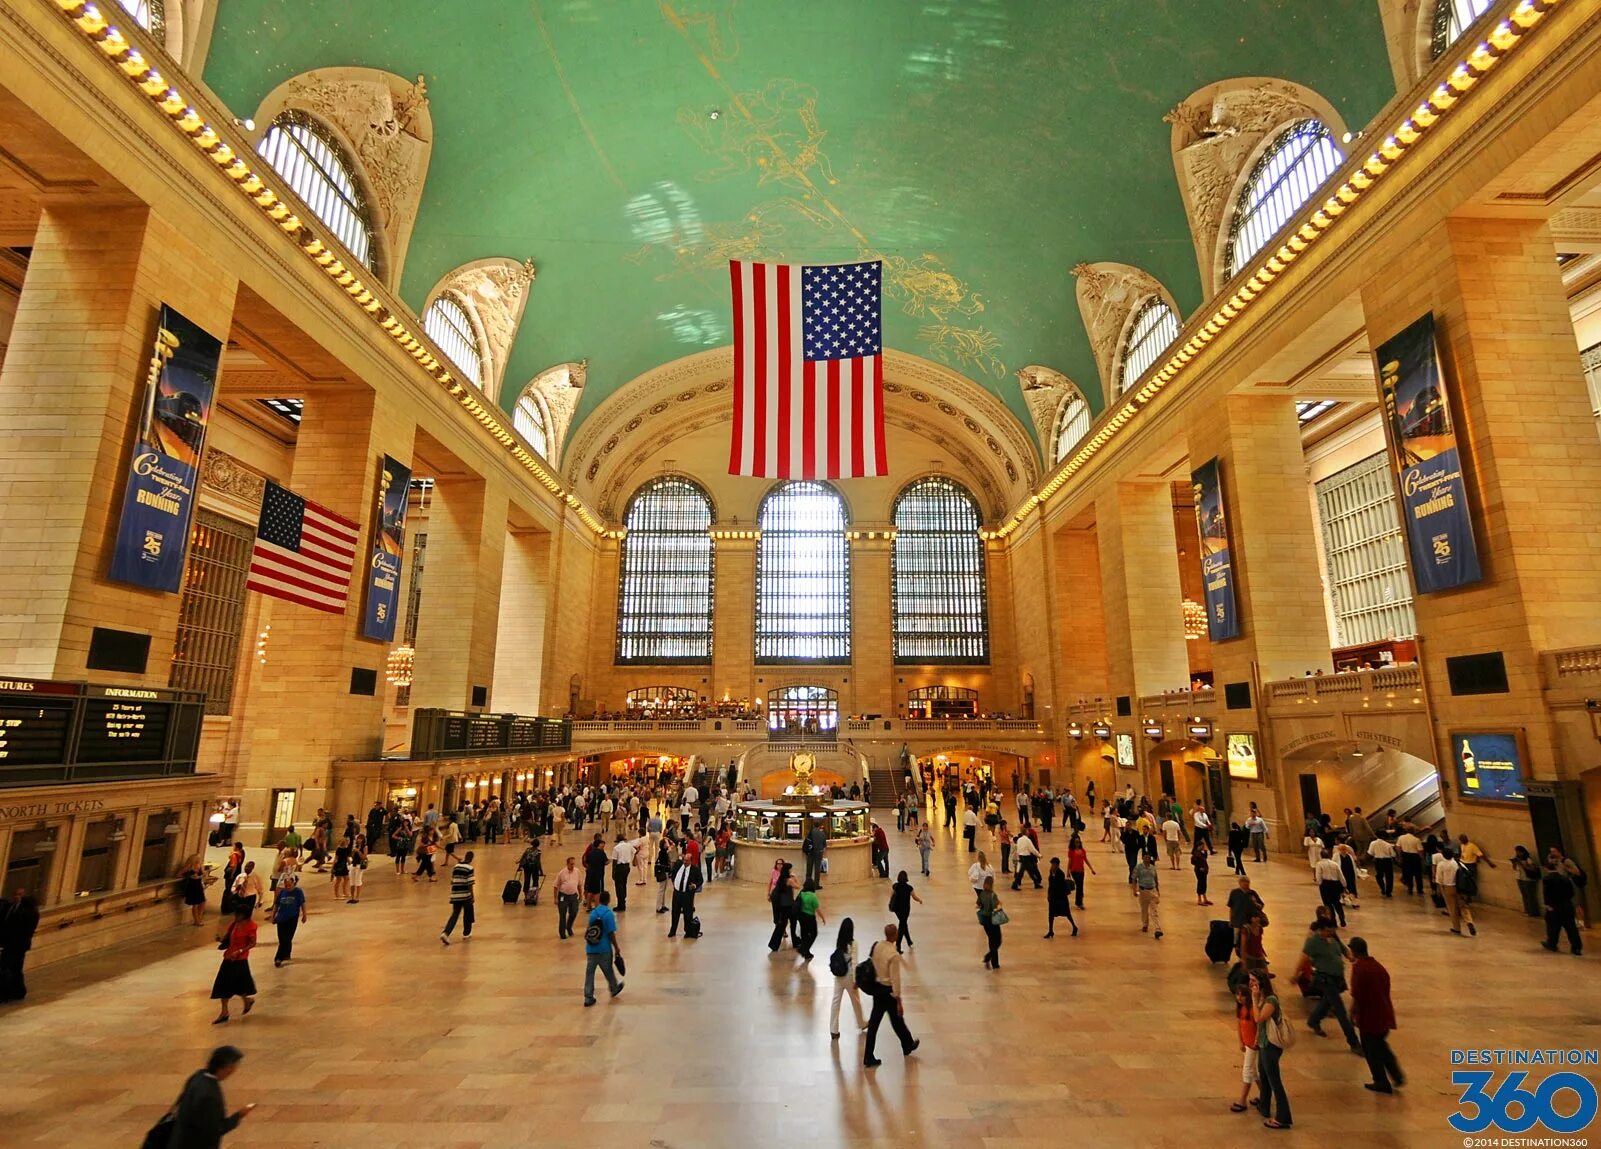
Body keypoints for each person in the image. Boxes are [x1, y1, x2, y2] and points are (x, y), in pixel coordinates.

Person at [160, 1045, 254, 1148]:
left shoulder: (198, 1076)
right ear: (225, 1067)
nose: (233, 1071)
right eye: (233, 1067)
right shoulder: (209, 1095)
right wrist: (239, 1115)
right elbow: (216, 1129)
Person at [1348, 936, 1403, 1093]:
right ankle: (1397, 1075)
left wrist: (1352, 1014)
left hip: (1369, 1017)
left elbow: (1357, 995)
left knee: (1371, 1050)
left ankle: (1381, 1081)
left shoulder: (1359, 968)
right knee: (1381, 1046)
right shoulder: (1378, 966)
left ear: (1354, 951)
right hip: (1384, 1013)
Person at [862, 923, 920, 1068]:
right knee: (896, 1019)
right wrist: (899, 1000)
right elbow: (895, 979)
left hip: (877, 989)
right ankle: (907, 1044)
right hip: (888, 992)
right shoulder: (893, 955)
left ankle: (870, 1055)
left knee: (877, 1023)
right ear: (895, 935)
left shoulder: (877, 946)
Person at [1302, 919, 1360, 1051]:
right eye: (1328, 931)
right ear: (1320, 930)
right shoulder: (1313, 942)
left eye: (1332, 930)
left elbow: (1342, 948)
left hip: (1336, 979)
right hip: (1325, 979)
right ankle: (1354, 1042)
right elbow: (1304, 958)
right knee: (1340, 1011)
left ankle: (1313, 1020)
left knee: (1327, 1001)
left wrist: (1350, 956)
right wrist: (1295, 975)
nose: (1331, 933)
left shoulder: (1333, 938)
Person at [1252, 970, 1292, 1130]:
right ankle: (1264, 1105)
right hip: (1263, 1043)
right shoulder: (1263, 998)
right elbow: (1260, 1025)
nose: (1251, 984)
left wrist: (1254, 1000)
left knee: (1275, 1080)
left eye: (1254, 981)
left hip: (1271, 1046)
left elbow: (1259, 1018)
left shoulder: (1270, 1000)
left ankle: (1283, 1117)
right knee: (1264, 1075)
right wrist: (1256, 1039)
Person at [210, 905, 257, 1024]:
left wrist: (240, 951)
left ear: (244, 915)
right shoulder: (234, 924)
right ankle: (224, 1011)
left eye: (238, 914)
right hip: (228, 957)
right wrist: (220, 939)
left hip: (240, 959)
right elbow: (227, 938)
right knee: (223, 984)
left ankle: (247, 1000)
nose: (236, 916)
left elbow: (252, 943)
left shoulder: (251, 926)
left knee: (239, 984)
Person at [582, 890, 624, 1006]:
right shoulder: (608, 914)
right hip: (604, 948)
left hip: (591, 948)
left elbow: (589, 929)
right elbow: (611, 933)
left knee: (589, 973)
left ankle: (588, 996)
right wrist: (616, 948)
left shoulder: (594, 913)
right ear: (609, 900)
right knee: (608, 970)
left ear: (599, 900)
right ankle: (614, 987)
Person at [828, 917, 867, 1039]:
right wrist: (856, 980)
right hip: (850, 976)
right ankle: (861, 1023)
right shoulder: (853, 943)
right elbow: (854, 962)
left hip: (839, 976)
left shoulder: (839, 942)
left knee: (836, 1002)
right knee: (856, 1001)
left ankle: (833, 1029)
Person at [1541, 855, 1583, 955]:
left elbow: (1547, 893)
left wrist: (1548, 905)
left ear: (1546, 868)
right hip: (1567, 905)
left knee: (1553, 927)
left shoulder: (1547, 879)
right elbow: (1571, 893)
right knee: (1571, 927)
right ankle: (1576, 947)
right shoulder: (1565, 878)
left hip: (1554, 907)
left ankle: (1552, 944)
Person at [1230, 981, 1260, 1114]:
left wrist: (1256, 1041)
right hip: (1247, 1044)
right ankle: (1265, 1093)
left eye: (1242, 995)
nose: (1239, 998)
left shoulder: (1253, 1010)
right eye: (1237, 995)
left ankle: (1242, 1100)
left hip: (1253, 1045)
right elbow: (1239, 1025)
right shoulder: (1241, 1009)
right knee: (1254, 1071)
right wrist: (1240, 1041)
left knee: (1248, 1070)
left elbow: (1259, 1026)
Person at [1434, 846, 1474, 936]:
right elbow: (1466, 873)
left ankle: (1457, 928)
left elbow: (1439, 879)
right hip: (1460, 887)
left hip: (1448, 887)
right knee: (1463, 906)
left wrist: (1439, 890)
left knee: (1452, 909)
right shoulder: (1457, 863)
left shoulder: (1441, 864)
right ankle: (1469, 921)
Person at [269, 874, 306, 968]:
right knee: (282, 938)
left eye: (289, 885)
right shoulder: (282, 892)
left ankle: (278, 958)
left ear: (294, 883)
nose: (288, 887)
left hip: (292, 918)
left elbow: (302, 903)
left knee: (287, 937)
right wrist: (273, 916)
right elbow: (276, 905)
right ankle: (286, 953)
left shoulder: (298, 892)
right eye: (286, 886)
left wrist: (304, 915)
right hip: (281, 918)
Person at [440, 849, 476, 945]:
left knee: (455, 914)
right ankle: (466, 932)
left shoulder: (456, 867)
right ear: (471, 859)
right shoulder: (469, 868)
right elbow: (470, 884)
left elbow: (452, 881)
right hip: (465, 895)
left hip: (455, 894)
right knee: (468, 913)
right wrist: (472, 896)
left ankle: (446, 933)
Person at [1226, 874, 1265, 956]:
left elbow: (1261, 906)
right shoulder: (1234, 893)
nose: (1246, 884)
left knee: (1251, 940)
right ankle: (1240, 955)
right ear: (1240, 883)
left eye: (1247, 882)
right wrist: (1231, 920)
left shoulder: (1252, 893)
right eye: (1244, 882)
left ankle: (1253, 954)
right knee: (1237, 940)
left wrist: (1255, 902)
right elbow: (1231, 907)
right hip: (1237, 921)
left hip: (1249, 922)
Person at [668, 848, 702, 938]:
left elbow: (700, 880)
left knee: (688, 914)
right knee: (675, 912)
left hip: (687, 895)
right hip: (677, 893)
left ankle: (688, 931)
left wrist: (695, 886)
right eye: (684, 860)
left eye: (687, 861)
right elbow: (673, 873)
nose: (685, 862)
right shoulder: (679, 864)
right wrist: (675, 882)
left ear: (691, 861)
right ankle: (673, 930)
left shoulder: (695, 870)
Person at [768, 861, 799, 952]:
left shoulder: (780, 879)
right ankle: (795, 942)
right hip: (789, 905)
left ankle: (773, 944)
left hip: (782, 905)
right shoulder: (789, 880)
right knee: (793, 924)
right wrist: (795, 877)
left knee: (781, 925)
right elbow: (798, 886)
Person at [1131, 850, 1163, 939]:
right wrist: (1134, 890)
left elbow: (1156, 879)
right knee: (1144, 909)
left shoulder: (1153, 868)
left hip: (1152, 891)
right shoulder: (1138, 868)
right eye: (1145, 857)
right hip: (1143, 891)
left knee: (1154, 911)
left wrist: (1157, 890)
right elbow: (1134, 879)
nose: (1147, 859)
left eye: (1148, 857)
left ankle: (1158, 929)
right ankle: (1145, 924)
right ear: (1142, 858)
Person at [889, 870, 922, 952]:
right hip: (905, 910)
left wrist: (890, 904)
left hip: (897, 910)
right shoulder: (909, 888)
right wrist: (919, 900)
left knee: (903, 924)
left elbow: (891, 896)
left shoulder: (895, 886)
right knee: (902, 926)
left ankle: (909, 941)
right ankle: (898, 945)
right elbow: (914, 897)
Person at [1045, 857, 1078, 938]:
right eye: (1051, 864)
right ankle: (1051, 931)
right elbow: (1050, 885)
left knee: (1067, 914)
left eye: (1053, 864)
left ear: (1057, 865)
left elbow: (1058, 886)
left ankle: (1074, 927)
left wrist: (1052, 894)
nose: (1052, 866)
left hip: (1061, 898)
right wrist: (1048, 895)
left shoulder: (1060, 874)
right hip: (1053, 898)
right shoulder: (1051, 872)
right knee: (1051, 915)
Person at [1314, 847, 1347, 927]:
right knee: (1337, 902)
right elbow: (1340, 875)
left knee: (1327, 904)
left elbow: (1318, 876)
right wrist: (1344, 885)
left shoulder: (1319, 864)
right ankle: (1342, 918)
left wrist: (1320, 883)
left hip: (1326, 884)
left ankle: (1333, 921)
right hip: (1335, 884)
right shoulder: (1335, 864)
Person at [977, 875, 1005, 968]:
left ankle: (995, 963)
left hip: (985, 921)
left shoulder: (982, 894)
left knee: (991, 940)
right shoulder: (993, 895)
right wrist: (999, 904)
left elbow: (978, 904)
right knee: (998, 941)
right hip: (992, 920)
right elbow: (995, 907)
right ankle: (988, 957)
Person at [553, 856, 583, 939]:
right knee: (562, 915)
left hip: (573, 896)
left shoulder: (577, 872)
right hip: (563, 896)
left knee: (574, 912)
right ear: (567, 864)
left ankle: (569, 926)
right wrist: (555, 898)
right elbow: (556, 886)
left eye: (573, 864)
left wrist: (581, 895)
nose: (572, 866)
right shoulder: (562, 873)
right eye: (571, 864)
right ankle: (562, 933)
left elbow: (579, 884)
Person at [796, 879, 825, 960]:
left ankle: (805, 950)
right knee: (814, 933)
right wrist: (823, 918)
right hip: (810, 918)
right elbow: (818, 909)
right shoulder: (813, 896)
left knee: (804, 934)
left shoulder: (801, 893)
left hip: (801, 917)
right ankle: (804, 949)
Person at [610, 834, 638, 913]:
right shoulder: (628, 845)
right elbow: (636, 851)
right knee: (624, 884)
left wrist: (613, 872)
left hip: (619, 868)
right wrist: (633, 859)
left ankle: (620, 904)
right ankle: (623, 901)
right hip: (626, 867)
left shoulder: (616, 848)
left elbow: (614, 861)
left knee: (618, 886)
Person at [1066, 834, 1094, 908]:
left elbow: (1086, 860)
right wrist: (1068, 872)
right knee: (1079, 886)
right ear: (1073, 843)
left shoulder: (1083, 851)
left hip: (1081, 871)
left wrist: (1091, 869)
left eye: (1078, 842)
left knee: (1080, 886)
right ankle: (1079, 902)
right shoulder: (1071, 851)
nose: (1077, 844)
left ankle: (1079, 901)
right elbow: (1070, 861)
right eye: (1076, 842)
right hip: (1074, 871)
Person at [582, 833, 608, 910]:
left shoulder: (590, 852)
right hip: (598, 874)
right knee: (597, 891)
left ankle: (588, 906)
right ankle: (597, 907)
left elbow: (585, 860)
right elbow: (605, 862)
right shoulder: (601, 852)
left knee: (590, 890)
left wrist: (588, 867)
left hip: (590, 873)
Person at [1395, 826, 1425, 896]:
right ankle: (1419, 890)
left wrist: (1400, 856)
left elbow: (1398, 847)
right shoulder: (1416, 839)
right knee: (1418, 874)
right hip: (1415, 857)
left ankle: (1410, 888)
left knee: (1408, 873)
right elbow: (1420, 851)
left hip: (1405, 856)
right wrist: (1422, 860)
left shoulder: (1401, 838)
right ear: (1414, 831)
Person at [181, 856, 208, 926]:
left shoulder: (199, 867)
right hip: (192, 886)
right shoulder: (189, 867)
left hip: (198, 886)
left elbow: (203, 875)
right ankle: (196, 920)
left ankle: (199, 918)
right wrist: (189, 877)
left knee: (203, 902)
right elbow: (180, 874)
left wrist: (202, 875)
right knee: (195, 904)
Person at [1192, 840, 1212, 906]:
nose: (1204, 846)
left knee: (1204, 884)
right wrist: (1200, 867)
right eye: (1202, 845)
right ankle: (1199, 900)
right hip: (1199, 871)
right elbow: (1194, 862)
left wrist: (1205, 852)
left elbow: (1205, 858)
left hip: (1204, 870)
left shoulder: (1201, 852)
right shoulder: (1196, 853)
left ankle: (1205, 898)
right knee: (1200, 884)